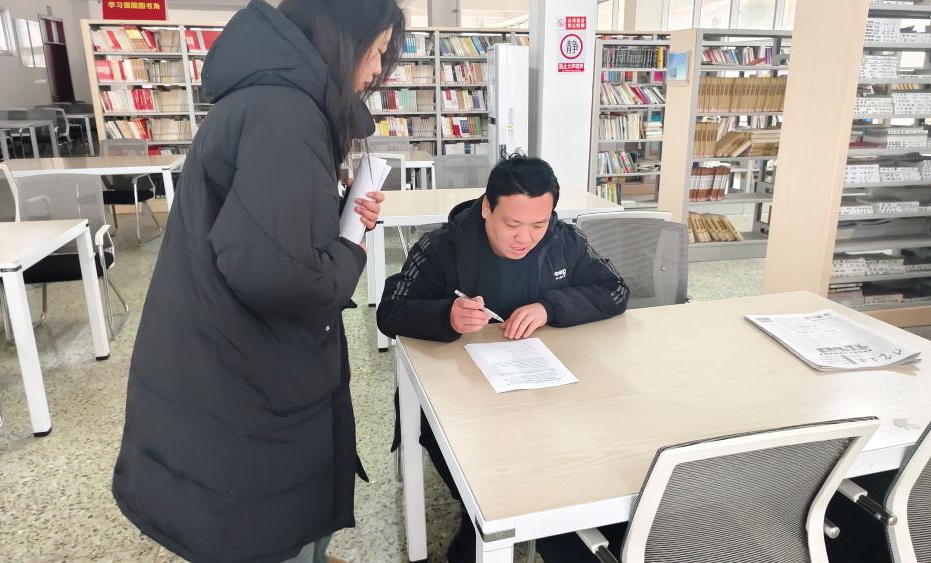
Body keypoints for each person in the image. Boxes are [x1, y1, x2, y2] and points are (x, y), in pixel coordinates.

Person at [111, 1, 404, 562]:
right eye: (377, 51)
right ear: (343, 37)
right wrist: (350, 251)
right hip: (244, 369)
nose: (375, 70)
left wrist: (334, 212)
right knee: (265, 522)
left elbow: (258, 226)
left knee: (274, 513)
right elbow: (280, 276)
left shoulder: (268, 99)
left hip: (222, 349)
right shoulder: (285, 115)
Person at [376, 154, 630, 562]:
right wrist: (445, 315)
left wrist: (550, 308)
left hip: (544, 391)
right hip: (460, 401)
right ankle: (480, 526)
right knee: (487, 486)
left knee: (579, 464)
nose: (524, 238)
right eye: (512, 224)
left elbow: (615, 289)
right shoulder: (443, 246)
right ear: (486, 208)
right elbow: (390, 311)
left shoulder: (564, 241)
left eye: (538, 224)